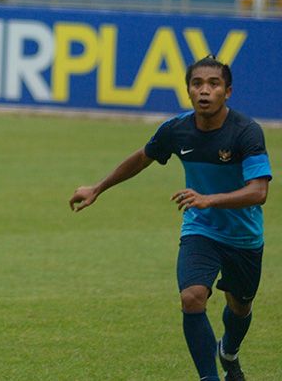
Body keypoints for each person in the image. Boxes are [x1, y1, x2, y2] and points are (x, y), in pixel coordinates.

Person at [69, 56, 271, 381]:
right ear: (188, 90)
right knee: (192, 297)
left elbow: (258, 192)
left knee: (240, 307)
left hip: (243, 237)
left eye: (213, 84)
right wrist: (98, 188)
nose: (205, 91)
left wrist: (209, 199)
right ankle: (209, 377)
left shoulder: (246, 132)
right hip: (200, 230)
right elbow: (141, 158)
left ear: (228, 92)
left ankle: (229, 352)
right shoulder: (177, 130)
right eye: (197, 84)